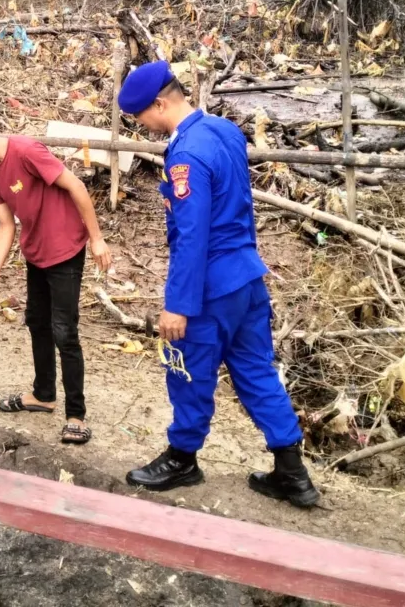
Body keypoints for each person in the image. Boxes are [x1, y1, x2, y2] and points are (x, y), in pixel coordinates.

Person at [117, 61, 319, 508]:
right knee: (256, 370)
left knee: (187, 370)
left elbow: (192, 235)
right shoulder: (224, 130)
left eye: (141, 116)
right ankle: (293, 473)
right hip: (248, 277)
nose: (143, 125)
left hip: (211, 287)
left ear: (160, 104)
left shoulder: (186, 155)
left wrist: (178, 304)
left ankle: (182, 459)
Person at [0, 113, 112, 445]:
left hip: (65, 249)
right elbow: (7, 226)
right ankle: (43, 395)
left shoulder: (26, 151)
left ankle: (76, 415)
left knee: (64, 331)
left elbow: (76, 186)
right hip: (36, 252)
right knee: (37, 322)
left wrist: (97, 239)